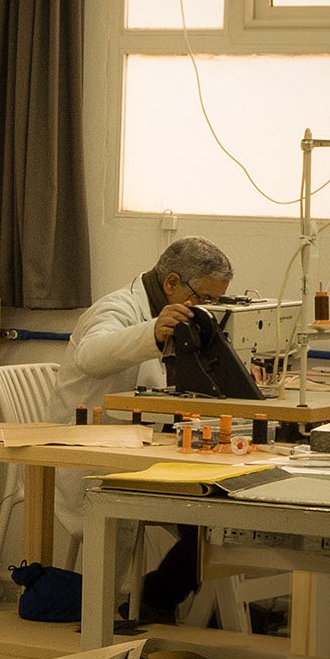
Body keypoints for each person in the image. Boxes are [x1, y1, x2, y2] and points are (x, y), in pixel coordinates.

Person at [57, 237, 233, 619]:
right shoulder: (117, 307)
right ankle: (153, 601)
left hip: (150, 448)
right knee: (213, 518)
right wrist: (152, 333)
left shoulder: (183, 318)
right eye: (204, 298)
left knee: (225, 516)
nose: (210, 310)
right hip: (92, 453)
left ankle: (160, 599)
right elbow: (91, 354)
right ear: (172, 283)